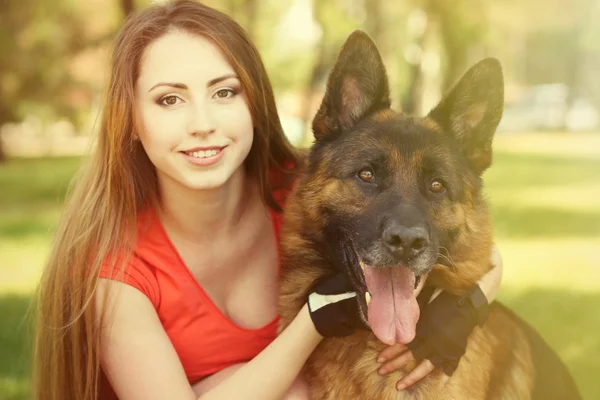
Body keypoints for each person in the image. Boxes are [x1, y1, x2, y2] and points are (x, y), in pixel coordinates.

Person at [32, 1, 503, 399]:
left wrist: (466, 309)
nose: (202, 123)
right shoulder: (115, 273)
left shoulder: (296, 187)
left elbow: (479, 248)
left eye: (223, 92)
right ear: (129, 119)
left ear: (253, 102)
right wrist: (313, 321)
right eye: (169, 100)